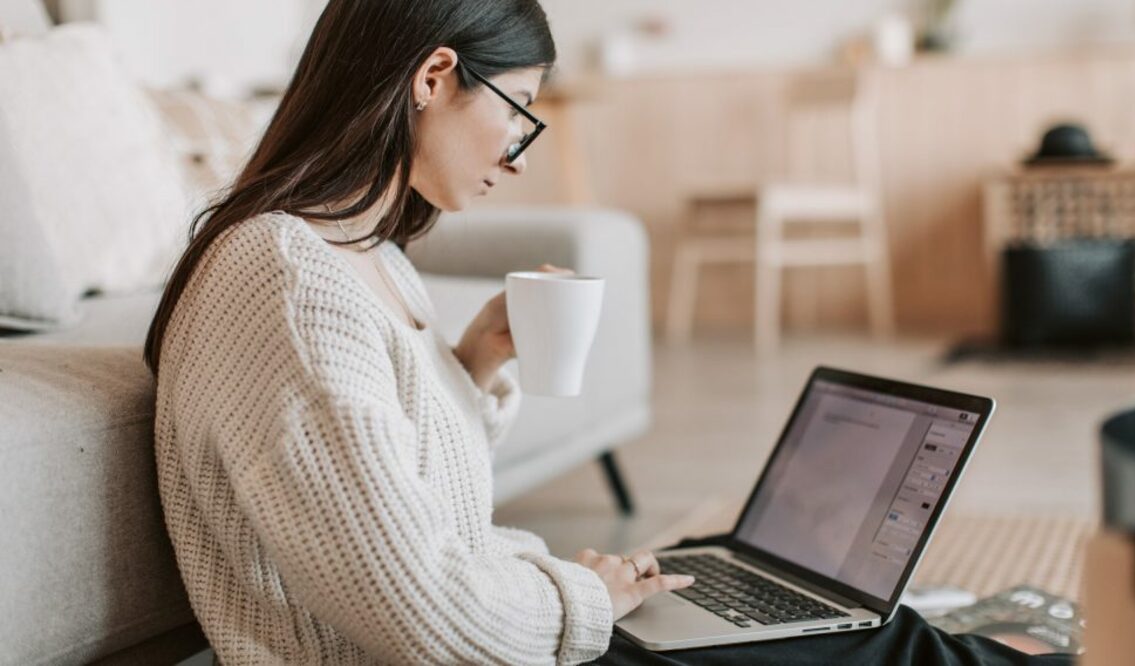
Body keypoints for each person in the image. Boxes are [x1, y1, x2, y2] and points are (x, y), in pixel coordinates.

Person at [144, 1, 1074, 664]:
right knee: (882, 642)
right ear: (434, 76)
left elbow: (417, 515)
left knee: (854, 629)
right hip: (463, 650)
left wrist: (468, 369)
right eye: (517, 115)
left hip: (499, 630)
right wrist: (587, 599)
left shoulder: (366, 259)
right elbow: (420, 614)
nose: (516, 155)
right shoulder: (285, 275)